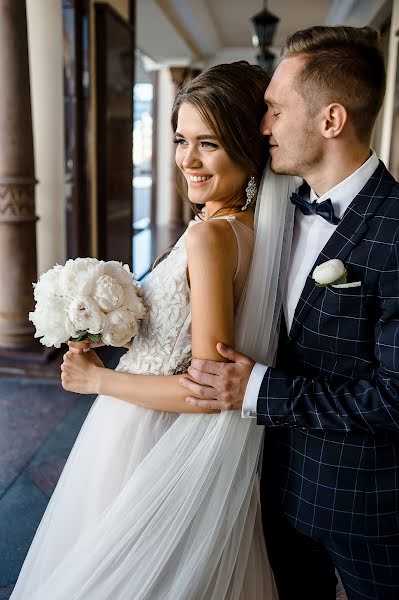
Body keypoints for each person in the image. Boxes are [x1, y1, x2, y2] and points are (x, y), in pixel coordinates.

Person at [11, 61, 297, 599]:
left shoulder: (212, 237)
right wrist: (125, 329)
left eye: (208, 143)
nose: (188, 159)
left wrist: (99, 381)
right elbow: (188, 337)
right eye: (180, 140)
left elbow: (211, 390)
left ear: (247, 146)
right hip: (144, 424)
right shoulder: (241, 226)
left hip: (149, 438)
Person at [181, 26, 399, 600]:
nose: (262, 125)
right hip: (267, 489)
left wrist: (258, 390)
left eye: (275, 109)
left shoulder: (396, 231)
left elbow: (395, 395)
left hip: (365, 511)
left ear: (331, 121)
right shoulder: (273, 206)